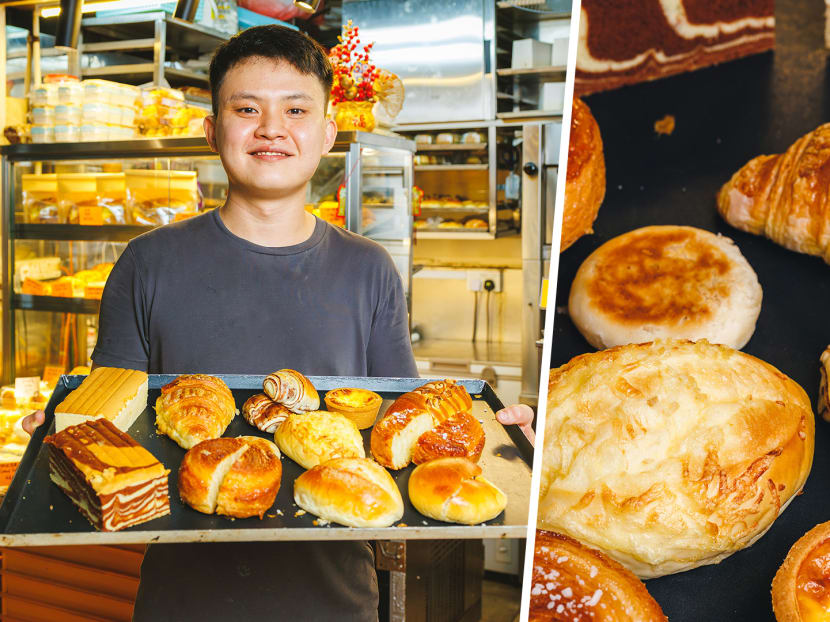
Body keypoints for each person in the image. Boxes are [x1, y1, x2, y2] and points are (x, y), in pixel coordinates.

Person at [22, 24, 533, 621]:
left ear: (327, 133)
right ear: (213, 131)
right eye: (246, 109)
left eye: (296, 109)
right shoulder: (146, 263)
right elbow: (117, 417)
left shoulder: (368, 269)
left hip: (335, 599)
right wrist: (66, 438)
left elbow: (401, 428)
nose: (271, 128)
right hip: (183, 601)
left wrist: (495, 437)